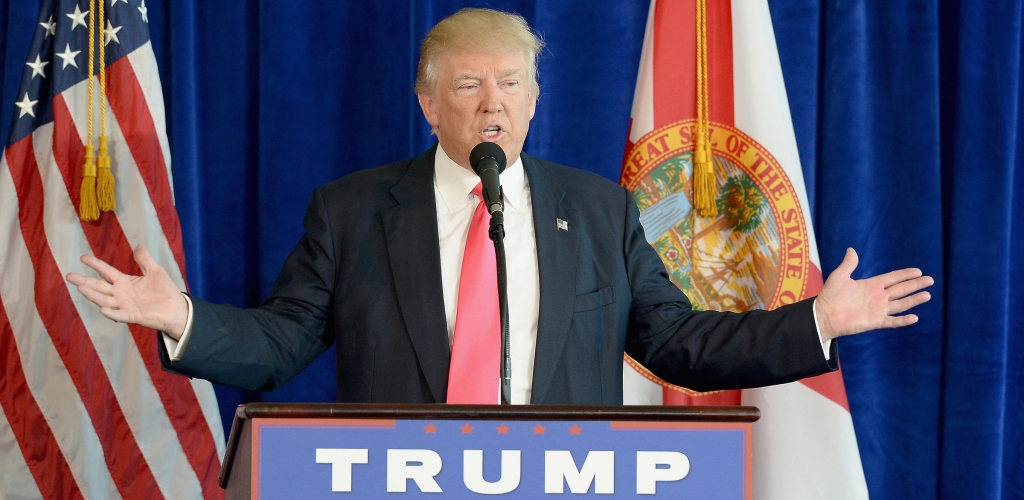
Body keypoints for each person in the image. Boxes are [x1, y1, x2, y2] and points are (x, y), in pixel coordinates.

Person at [66, 8, 932, 405]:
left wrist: (813, 321)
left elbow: (680, 346)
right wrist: (178, 315)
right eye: (471, 85)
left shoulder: (599, 213)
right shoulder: (355, 211)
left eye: (511, 84)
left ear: (535, 98)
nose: (494, 104)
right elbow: (282, 342)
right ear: (428, 102)